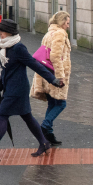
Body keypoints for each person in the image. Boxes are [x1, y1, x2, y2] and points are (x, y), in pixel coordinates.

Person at [0, 19, 64, 159]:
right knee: (27, 116)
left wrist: (52, 79)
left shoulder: (18, 47)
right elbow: (5, 68)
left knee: (2, 115)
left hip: (17, 89)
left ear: (9, 33)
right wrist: (0, 84)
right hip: (11, 87)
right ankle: (44, 143)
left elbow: (34, 64)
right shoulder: (3, 46)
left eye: (2, 31)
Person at [30, 11, 72, 146]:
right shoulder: (60, 34)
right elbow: (55, 56)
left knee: (52, 103)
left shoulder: (49, 32)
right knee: (60, 103)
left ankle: (48, 134)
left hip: (46, 73)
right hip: (54, 75)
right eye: (67, 22)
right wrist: (60, 77)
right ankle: (45, 127)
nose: (68, 26)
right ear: (61, 22)